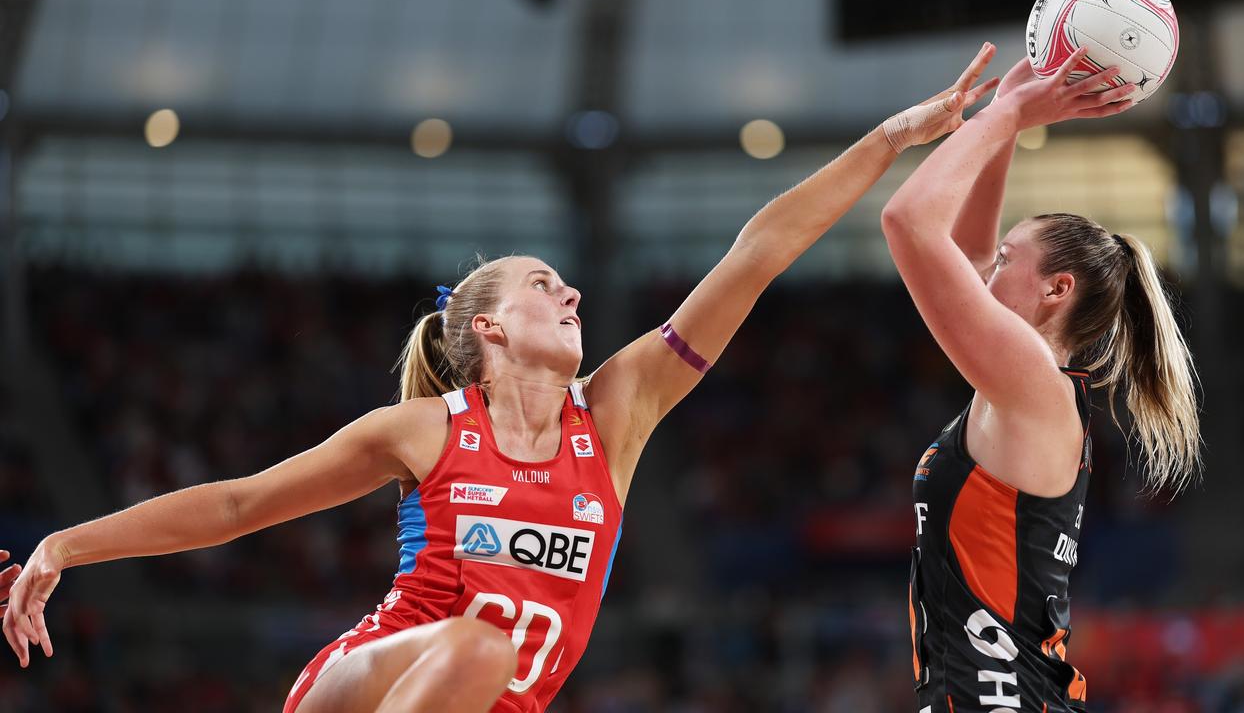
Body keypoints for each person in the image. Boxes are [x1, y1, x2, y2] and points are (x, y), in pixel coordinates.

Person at [3, 47, 1001, 713]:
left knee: (487, 664)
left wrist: (887, 139)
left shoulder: (617, 413)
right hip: (358, 688)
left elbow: (754, 255)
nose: (568, 289)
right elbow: (237, 503)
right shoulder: (426, 429)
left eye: (562, 280)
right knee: (478, 647)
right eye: (541, 282)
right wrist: (62, 545)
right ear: (486, 328)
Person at [880, 46, 1201, 712]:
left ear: (1057, 289)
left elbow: (909, 222)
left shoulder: (1032, 381)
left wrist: (1008, 115)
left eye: (1006, 260)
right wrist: (1006, 125)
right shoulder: (1028, 384)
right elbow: (961, 255)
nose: (985, 270)